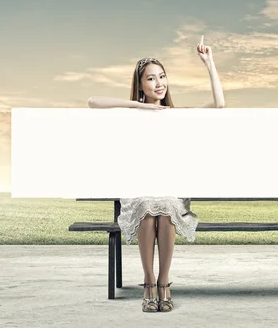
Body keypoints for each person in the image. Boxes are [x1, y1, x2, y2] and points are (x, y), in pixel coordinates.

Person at [87, 37, 225, 313]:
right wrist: (142, 107)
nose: (159, 83)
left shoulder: (176, 115)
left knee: (165, 208)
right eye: (151, 79)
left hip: (170, 188)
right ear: (141, 85)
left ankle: (163, 283)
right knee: (148, 207)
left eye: (162, 76)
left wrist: (209, 63)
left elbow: (219, 106)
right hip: (140, 188)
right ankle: (148, 282)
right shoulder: (132, 114)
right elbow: (93, 101)